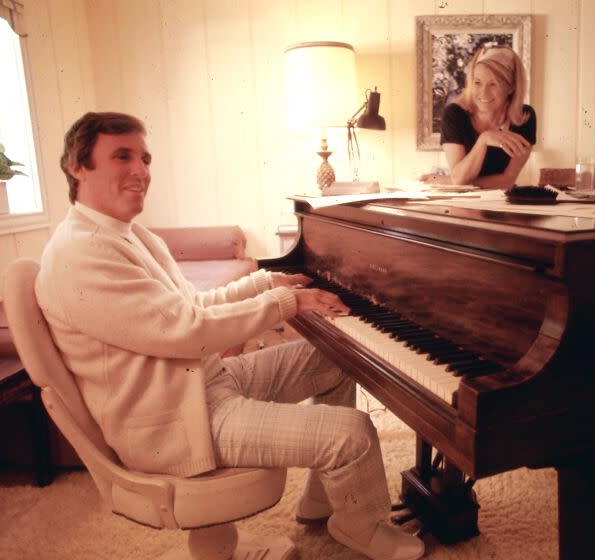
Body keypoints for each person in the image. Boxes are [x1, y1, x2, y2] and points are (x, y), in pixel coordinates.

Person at [35, 112, 424, 560]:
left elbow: (191, 308)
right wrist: (287, 304)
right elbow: (186, 332)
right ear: (77, 166)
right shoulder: (81, 253)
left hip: (197, 386)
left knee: (333, 359)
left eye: (144, 157)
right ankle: (359, 525)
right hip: (172, 422)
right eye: (122, 156)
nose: (141, 170)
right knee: (350, 433)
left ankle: (321, 498)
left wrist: (267, 282)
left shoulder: (130, 237)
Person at [424, 45, 536, 190]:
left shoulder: (525, 117)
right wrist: (484, 140)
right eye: (477, 83)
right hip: (460, 202)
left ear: (511, 87)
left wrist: (448, 181)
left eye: (493, 84)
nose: (483, 93)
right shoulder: (454, 115)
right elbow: (460, 178)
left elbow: (507, 181)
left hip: (501, 203)